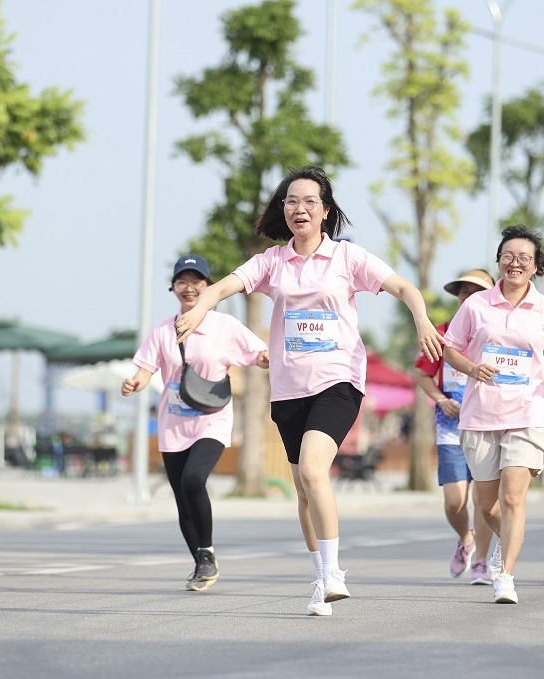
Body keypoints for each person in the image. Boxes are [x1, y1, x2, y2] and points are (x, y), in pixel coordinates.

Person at [174, 165, 443, 616]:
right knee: (302, 489)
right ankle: (320, 576)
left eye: (309, 202)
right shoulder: (272, 262)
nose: (299, 209)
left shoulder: (347, 259)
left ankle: (334, 573)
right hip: (288, 388)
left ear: (326, 211)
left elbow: (402, 286)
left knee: (315, 473)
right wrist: (201, 308)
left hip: (338, 380)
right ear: (285, 210)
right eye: (291, 201)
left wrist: (420, 318)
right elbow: (223, 286)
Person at [443, 225, 544, 604]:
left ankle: (505, 575)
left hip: (527, 412)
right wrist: (473, 368)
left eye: (524, 258)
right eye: (508, 256)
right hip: (480, 415)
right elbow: (450, 349)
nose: (515, 263)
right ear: (498, 261)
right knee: (487, 504)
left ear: (536, 266)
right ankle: (505, 541)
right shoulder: (476, 306)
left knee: (513, 498)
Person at [121, 254, 269, 592]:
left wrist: (266, 357)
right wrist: (134, 384)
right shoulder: (162, 330)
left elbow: (258, 356)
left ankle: (206, 551)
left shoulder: (225, 326)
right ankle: (203, 563)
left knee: (193, 479)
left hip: (211, 420)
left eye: (197, 281)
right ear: (172, 287)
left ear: (208, 287)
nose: (190, 288)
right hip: (173, 424)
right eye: (182, 282)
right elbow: (145, 371)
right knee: (182, 498)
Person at [414, 268, 499, 584]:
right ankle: (466, 537)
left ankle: (481, 563)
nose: (469, 297)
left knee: (483, 499)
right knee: (454, 501)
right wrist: (439, 399)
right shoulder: (442, 333)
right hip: (451, 426)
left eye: (477, 292)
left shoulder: (497, 333)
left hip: (489, 424)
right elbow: (423, 375)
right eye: (464, 292)